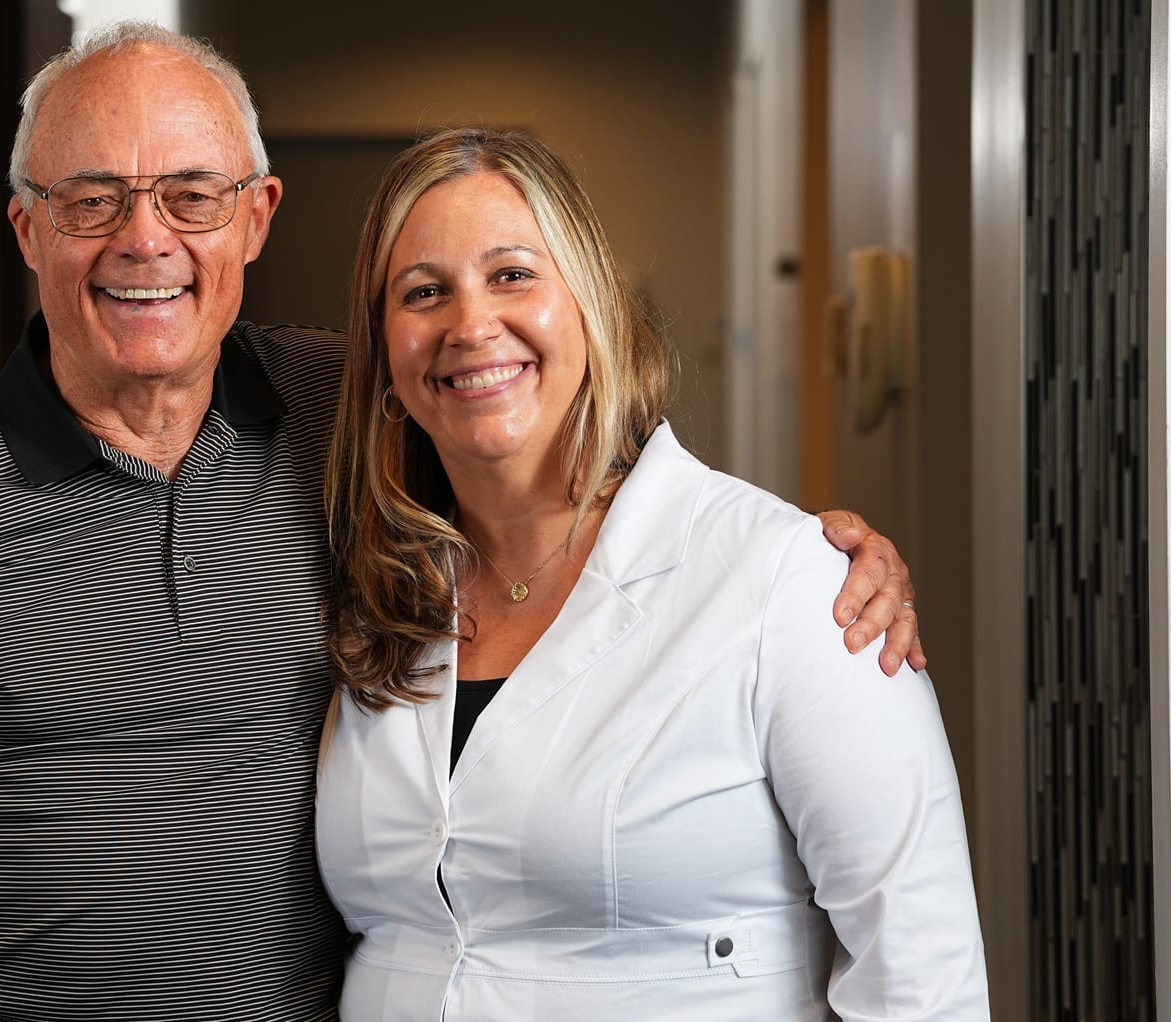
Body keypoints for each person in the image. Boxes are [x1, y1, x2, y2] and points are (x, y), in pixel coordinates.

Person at [0, 23, 925, 1020]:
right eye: (90, 201)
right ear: (26, 228)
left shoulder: (353, 413)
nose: (145, 241)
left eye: (189, 195)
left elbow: (554, 469)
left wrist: (803, 558)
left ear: (256, 217)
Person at [316, 126, 986, 1020]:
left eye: (513, 273)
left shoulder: (785, 584)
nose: (471, 325)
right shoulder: (380, 590)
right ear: (384, 359)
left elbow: (922, 975)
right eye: (423, 292)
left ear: (589, 306)